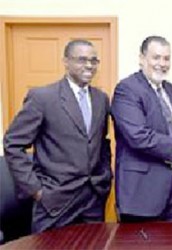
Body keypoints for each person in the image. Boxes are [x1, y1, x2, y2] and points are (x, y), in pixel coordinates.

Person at [3, 39, 112, 233]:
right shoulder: (42, 97)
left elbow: (101, 142)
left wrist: (104, 178)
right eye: (82, 59)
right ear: (66, 62)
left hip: (93, 200)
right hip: (55, 201)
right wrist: (36, 190)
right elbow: (13, 143)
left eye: (94, 60)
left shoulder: (101, 99)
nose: (89, 65)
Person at [111, 35, 172, 222]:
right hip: (142, 192)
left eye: (166, 58)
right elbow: (138, 136)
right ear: (142, 59)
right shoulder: (127, 89)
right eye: (156, 57)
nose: (162, 64)